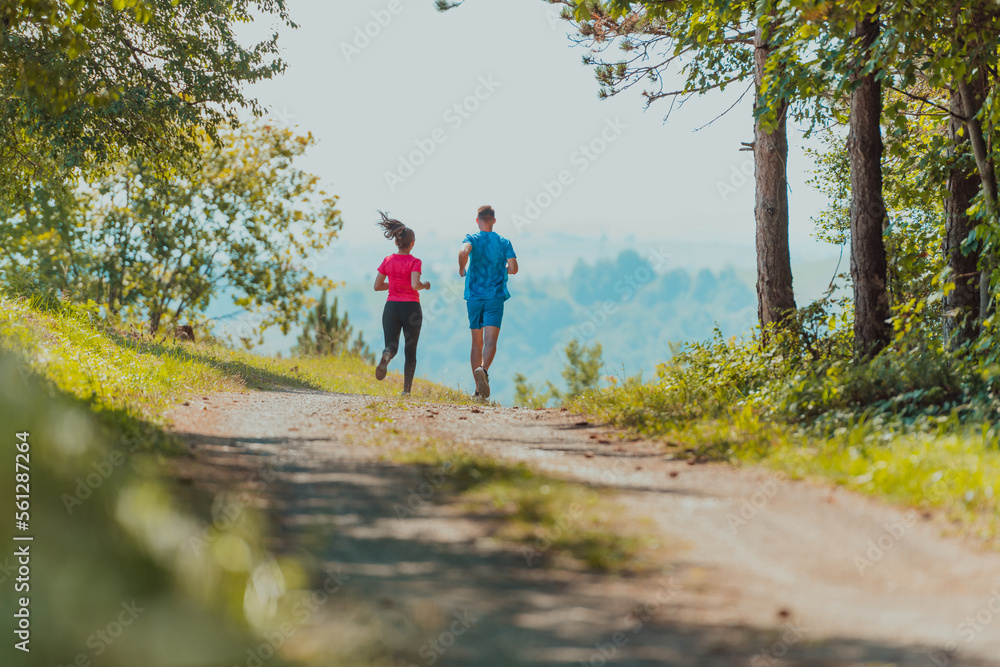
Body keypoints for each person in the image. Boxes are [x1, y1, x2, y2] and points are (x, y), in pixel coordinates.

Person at [458, 205, 518, 399]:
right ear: (493, 220)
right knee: (490, 341)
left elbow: (462, 253)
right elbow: (514, 268)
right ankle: (483, 371)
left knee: (476, 344)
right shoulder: (503, 242)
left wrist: (461, 268)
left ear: (477, 220)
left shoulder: (472, 239)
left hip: (474, 297)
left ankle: (477, 390)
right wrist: (500, 269)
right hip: (495, 297)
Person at [373, 211, 431, 395]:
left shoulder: (388, 260)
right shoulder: (415, 261)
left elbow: (377, 286)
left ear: (396, 242)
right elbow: (415, 285)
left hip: (391, 307)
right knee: (410, 350)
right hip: (411, 308)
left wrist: (396, 284)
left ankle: (387, 355)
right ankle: (406, 391)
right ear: (412, 243)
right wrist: (425, 285)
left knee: (392, 345)